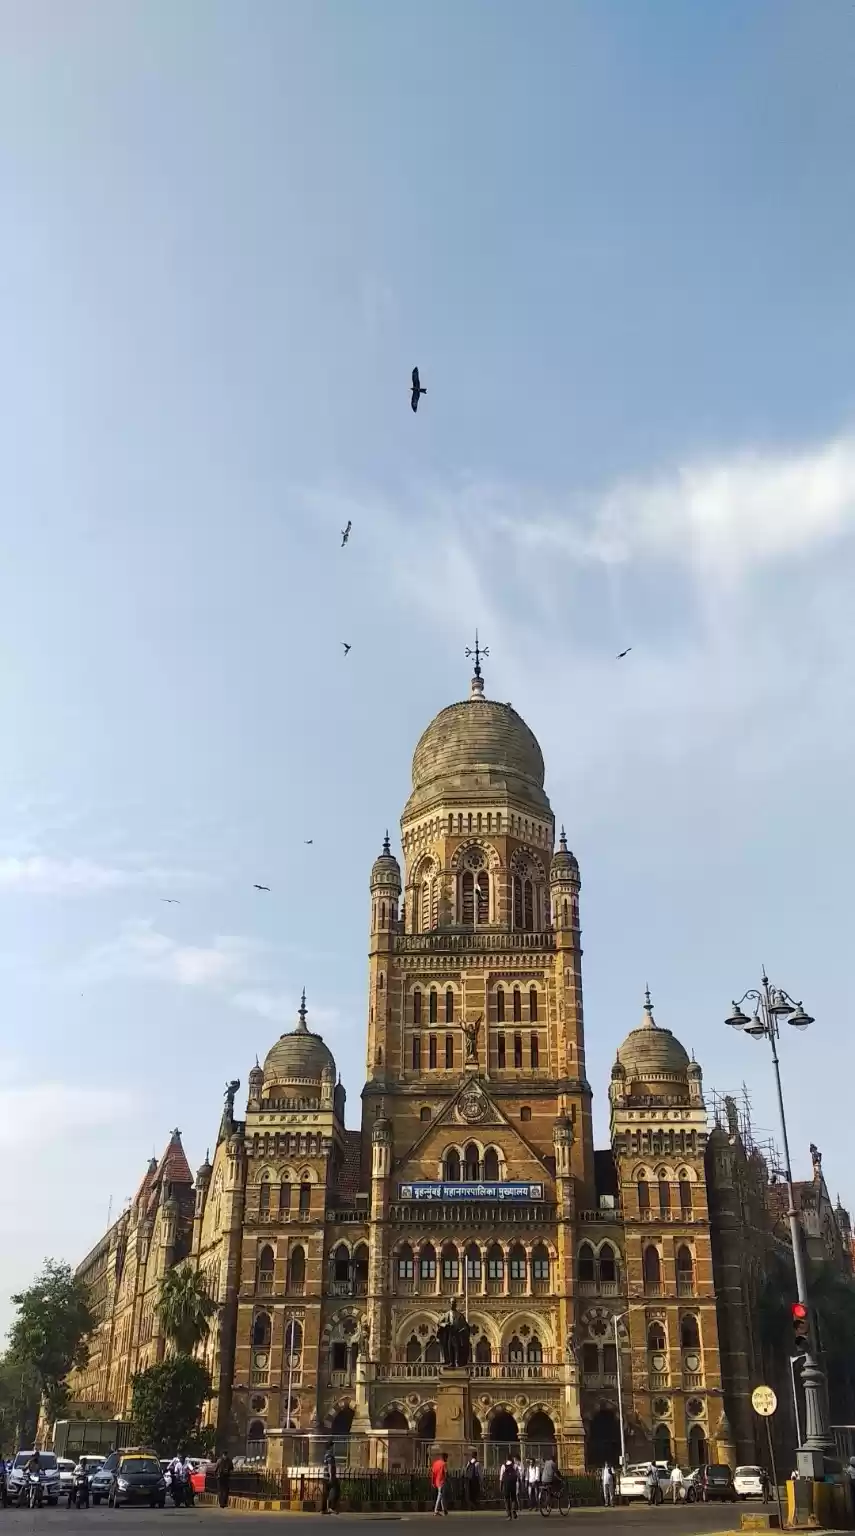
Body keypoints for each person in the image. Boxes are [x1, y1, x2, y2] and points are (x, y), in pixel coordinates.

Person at [321, 1441, 340, 1515]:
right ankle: (332, 1507)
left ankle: (323, 1509)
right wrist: (331, 1476)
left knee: (326, 1493)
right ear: (331, 1447)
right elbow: (330, 1466)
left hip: (325, 1476)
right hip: (330, 1477)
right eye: (333, 1446)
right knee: (336, 1491)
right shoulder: (330, 1456)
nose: (334, 1448)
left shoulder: (325, 1455)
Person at [431, 1451, 449, 1517]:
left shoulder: (435, 1463)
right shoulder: (444, 1464)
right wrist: (448, 1480)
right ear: (444, 1457)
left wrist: (432, 1482)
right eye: (446, 1458)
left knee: (441, 1496)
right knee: (440, 1495)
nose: (447, 1459)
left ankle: (444, 1510)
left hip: (436, 1482)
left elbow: (433, 1473)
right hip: (442, 1482)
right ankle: (436, 1510)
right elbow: (446, 1473)